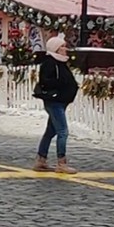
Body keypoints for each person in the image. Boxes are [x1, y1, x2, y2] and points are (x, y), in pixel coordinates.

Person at [33, 35, 79, 175]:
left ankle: (41, 159)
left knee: (50, 131)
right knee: (63, 131)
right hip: (55, 101)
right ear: (56, 49)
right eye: (62, 47)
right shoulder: (50, 63)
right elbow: (47, 81)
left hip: (61, 101)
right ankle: (61, 162)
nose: (65, 49)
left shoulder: (61, 62)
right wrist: (62, 87)